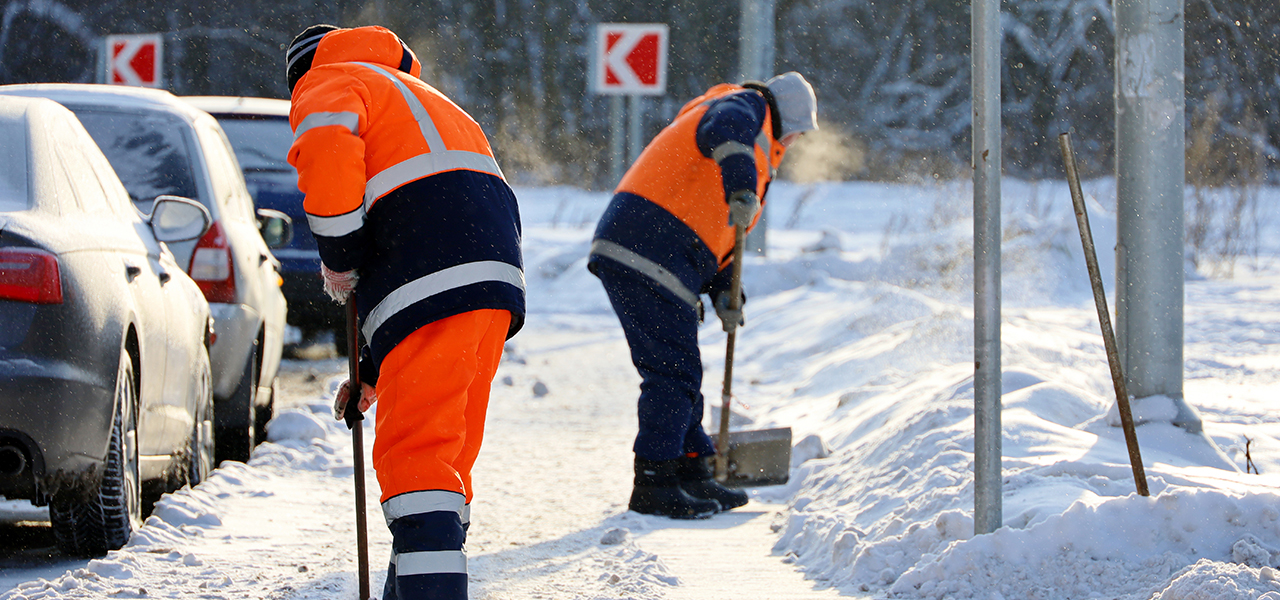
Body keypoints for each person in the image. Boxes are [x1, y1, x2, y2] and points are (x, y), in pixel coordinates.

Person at [285, 24, 524, 600]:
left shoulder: (328, 80)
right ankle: (416, 582)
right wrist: (370, 369)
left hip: (432, 280)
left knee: (415, 460)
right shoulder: (424, 99)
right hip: (490, 284)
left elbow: (327, 150)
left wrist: (338, 253)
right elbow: (423, 217)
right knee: (444, 459)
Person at [587, 73, 817, 519]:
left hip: (660, 248)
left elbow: (717, 230)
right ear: (785, 114)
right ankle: (654, 482)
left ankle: (692, 470)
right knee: (672, 372)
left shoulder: (751, 131)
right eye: (797, 130)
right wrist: (742, 187)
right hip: (647, 246)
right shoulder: (745, 106)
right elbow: (724, 130)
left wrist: (725, 291)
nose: (796, 140)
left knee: (681, 370)